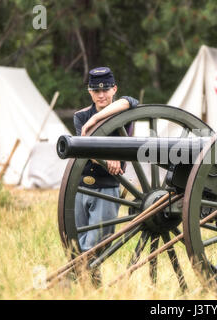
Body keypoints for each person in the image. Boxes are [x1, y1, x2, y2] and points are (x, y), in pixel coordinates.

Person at [73, 67, 138, 254]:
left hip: (107, 185)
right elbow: (83, 148)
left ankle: (83, 276)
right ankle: (86, 280)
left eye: (106, 90)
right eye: (96, 91)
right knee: (77, 241)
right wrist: (107, 158)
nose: (101, 95)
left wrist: (96, 117)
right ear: (89, 92)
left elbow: (130, 101)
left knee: (96, 244)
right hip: (81, 185)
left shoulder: (123, 112)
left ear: (114, 89)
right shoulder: (80, 116)